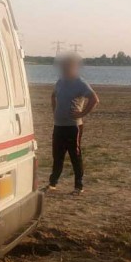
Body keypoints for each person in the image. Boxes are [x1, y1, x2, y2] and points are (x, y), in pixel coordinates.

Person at [47, 53, 100, 194]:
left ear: (73, 66)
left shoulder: (80, 82)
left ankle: (79, 186)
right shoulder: (60, 81)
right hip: (58, 125)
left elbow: (94, 99)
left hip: (73, 126)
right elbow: (53, 96)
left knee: (75, 155)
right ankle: (52, 183)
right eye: (63, 66)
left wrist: (82, 113)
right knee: (57, 155)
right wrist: (55, 111)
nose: (64, 68)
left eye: (67, 66)